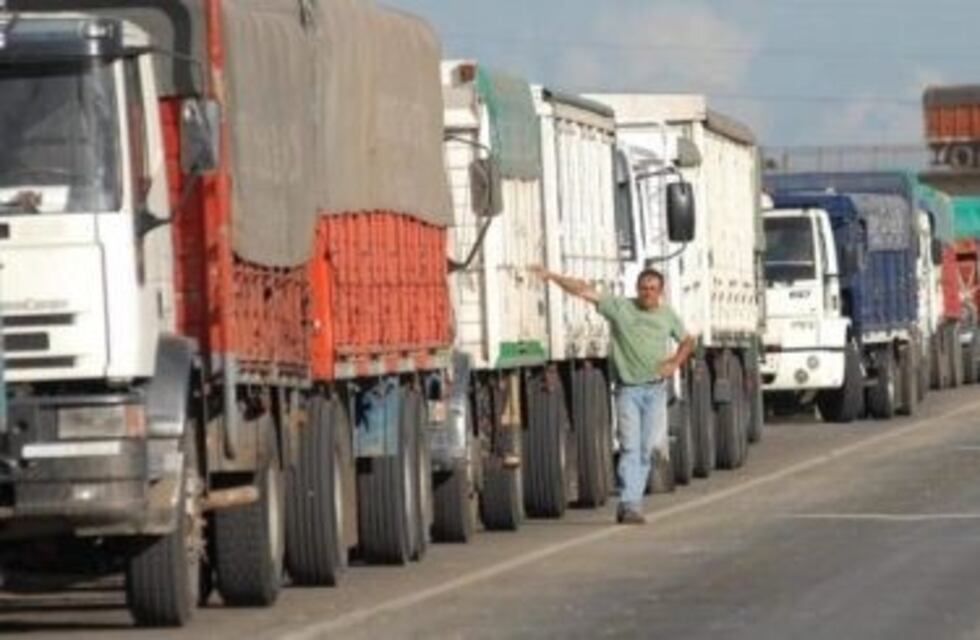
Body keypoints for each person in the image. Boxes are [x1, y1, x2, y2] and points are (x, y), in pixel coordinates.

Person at [531, 266, 694, 524]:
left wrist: (675, 361)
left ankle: (630, 500)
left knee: (646, 448)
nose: (647, 293)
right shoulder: (620, 308)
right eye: (643, 288)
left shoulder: (667, 315)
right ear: (637, 289)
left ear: (660, 292)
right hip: (628, 391)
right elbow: (584, 290)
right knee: (630, 447)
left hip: (655, 391)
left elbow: (688, 340)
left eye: (653, 289)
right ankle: (631, 504)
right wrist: (552, 277)